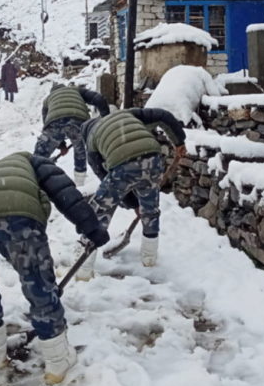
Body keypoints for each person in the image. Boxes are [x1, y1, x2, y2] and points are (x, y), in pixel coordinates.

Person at [0, 151, 109, 385]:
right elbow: (65, 193)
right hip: (20, 216)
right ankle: (57, 360)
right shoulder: (34, 162)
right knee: (39, 285)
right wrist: (92, 228)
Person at [75, 108, 187, 280]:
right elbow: (164, 116)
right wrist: (179, 142)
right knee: (150, 209)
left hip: (122, 165)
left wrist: (132, 204)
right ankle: (149, 258)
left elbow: (106, 179)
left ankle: (82, 269)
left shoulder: (91, 142)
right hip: (152, 157)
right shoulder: (127, 114)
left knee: (100, 211)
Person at [34, 84, 110, 186]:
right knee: (80, 151)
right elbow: (99, 99)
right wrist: (106, 119)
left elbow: (46, 122)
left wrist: (60, 145)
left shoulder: (47, 99)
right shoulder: (76, 90)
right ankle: (80, 183)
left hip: (54, 123)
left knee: (39, 154)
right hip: (78, 120)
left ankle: (33, 177)